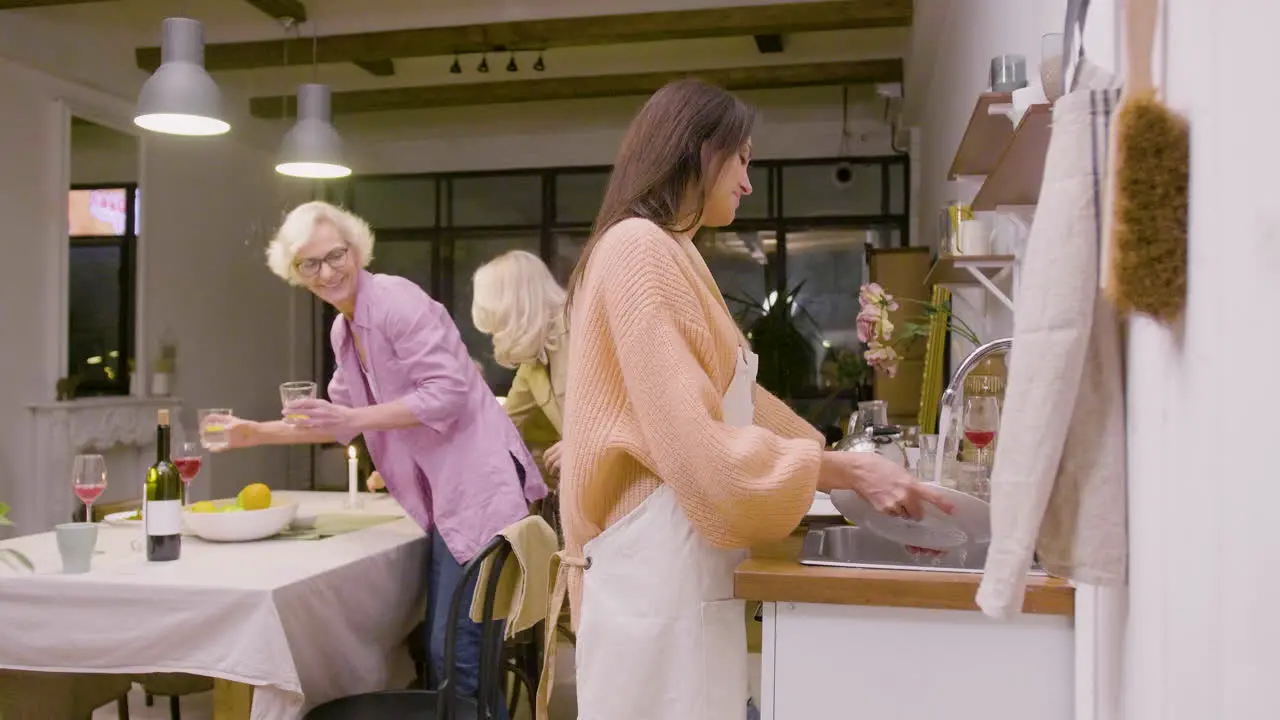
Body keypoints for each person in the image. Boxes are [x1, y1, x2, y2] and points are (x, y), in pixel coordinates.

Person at [538, 79, 955, 720]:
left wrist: (842, 465)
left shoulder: (669, 249)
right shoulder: (639, 249)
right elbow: (696, 439)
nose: (749, 182)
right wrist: (842, 469)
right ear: (703, 151)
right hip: (655, 564)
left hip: (671, 557)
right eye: (744, 160)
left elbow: (737, 400)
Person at [210, 201, 545, 715]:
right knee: (445, 655)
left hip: (481, 490)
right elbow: (338, 415)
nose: (328, 271)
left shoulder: (394, 301)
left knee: (457, 657)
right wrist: (255, 433)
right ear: (294, 273)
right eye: (310, 264)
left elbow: (448, 392)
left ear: (357, 249)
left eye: (336, 255)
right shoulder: (344, 332)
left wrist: (353, 423)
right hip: (446, 502)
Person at [470, 250, 568, 480]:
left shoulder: (583, 333)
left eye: (497, 322)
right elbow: (500, 428)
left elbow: (627, 406)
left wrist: (584, 444)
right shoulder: (534, 362)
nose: (495, 334)